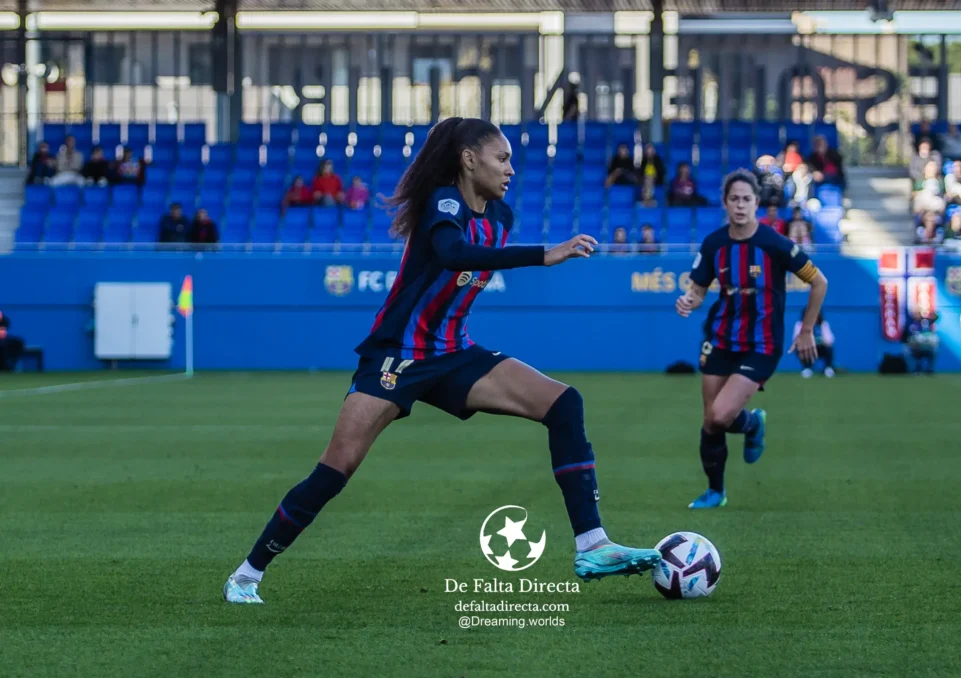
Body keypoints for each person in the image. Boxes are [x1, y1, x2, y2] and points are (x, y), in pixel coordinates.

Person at [223, 117, 662, 604]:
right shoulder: (443, 202)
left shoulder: (501, 217)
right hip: (398, 358)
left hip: (454, 353)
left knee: (564, 403)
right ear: (468, 159)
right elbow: (453, 254)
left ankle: (592, 545)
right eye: (502, 158)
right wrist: (544, 254)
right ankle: (247, 573)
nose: (511, 169)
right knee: (336, 469)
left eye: (511, 160)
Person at [674, 169, 828, 509]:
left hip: (762, 343)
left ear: (757, 203)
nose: (740, 205)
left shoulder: (775, 243)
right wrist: (689, 301)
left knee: (720, 416)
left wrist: (805, 331)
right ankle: (716, 491)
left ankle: (752, 422)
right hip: (720, 338)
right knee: (710, 420)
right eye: (734, 199)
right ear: (725, 203)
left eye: (747, 199)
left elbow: (819, 282)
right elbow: (698, 291)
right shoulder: (714, 244)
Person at [793, 308, 835, 378]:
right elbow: (796, 340)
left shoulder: (823, 325)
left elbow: (830, 340)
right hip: (807, 348)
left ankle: (828, 368)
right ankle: (807, 368)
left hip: (820, 349)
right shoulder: (800, 325)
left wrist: (820, 341)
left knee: (829, 348)